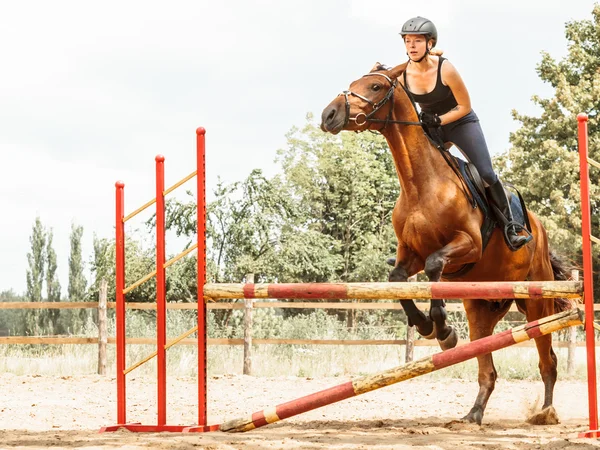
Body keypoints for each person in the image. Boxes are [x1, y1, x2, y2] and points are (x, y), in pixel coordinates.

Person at [398, 16, 531, 251]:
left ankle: (512, 226)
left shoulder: (445, 68)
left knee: (487, 173)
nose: (411, 45)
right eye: (407, 40)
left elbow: (464, 107)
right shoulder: (403, 74)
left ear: (430, 43)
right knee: (417, 173)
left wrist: (439, 120)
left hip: (460, 121)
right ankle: (413, 243)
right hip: (432, 126)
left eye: (417, 41)